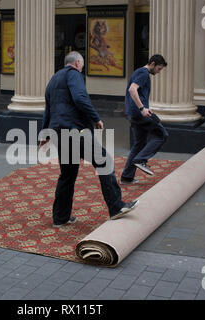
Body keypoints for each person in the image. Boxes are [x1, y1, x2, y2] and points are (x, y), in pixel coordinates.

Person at [41, 51, 139, 227]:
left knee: (68, 174)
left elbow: (48, 110)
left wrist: (44, 134)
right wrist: (96, 118)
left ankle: (60, 218)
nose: (82, 66)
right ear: (77, 62)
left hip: (58, 132)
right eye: (83, 63)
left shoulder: (53, 80)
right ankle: (116, 207)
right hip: (74, 130)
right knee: (104, 162)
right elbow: (80, 98)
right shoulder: (74, 74)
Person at [120, 55, 169, 185]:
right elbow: (132, 89)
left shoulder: (138, 72)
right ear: (152, 64)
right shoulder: (143, 73)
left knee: (139, 144)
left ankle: (127, 177)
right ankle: (141, 160)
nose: (158, 72)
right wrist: (142, 108)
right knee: (161, 135)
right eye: (158, 68)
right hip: (139, 113)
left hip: (133, 113)